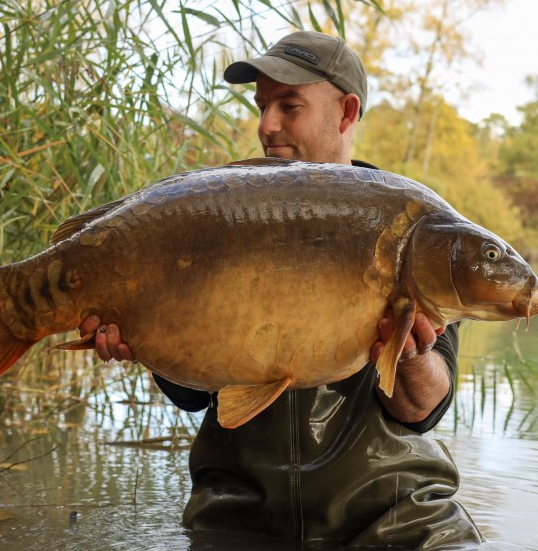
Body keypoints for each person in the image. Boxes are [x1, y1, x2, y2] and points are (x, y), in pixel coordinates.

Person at [79, 31, 482, 549]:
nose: (266, 125)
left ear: (346, 112)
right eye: (263, 106)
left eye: (289, 105)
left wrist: (407, 357)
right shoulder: (217, 211)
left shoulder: (414, 226)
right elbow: (191, 396)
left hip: (391, 517)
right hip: (240, 516)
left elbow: (422, 410)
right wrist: (143, 340)